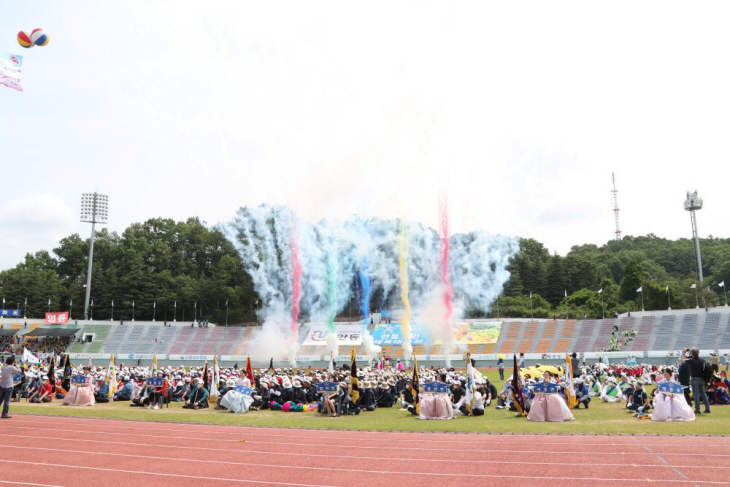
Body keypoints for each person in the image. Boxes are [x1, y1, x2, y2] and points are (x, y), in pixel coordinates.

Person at [687, 348, 710, 414]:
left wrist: (684, 352)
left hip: (694, 379)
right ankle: (707, 408)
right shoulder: (702, 360)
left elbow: (682, 360)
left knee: (696, 394)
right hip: (702, 378)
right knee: (703, 394)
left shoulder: (691, 361)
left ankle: (697, 409)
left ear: (692, 354)